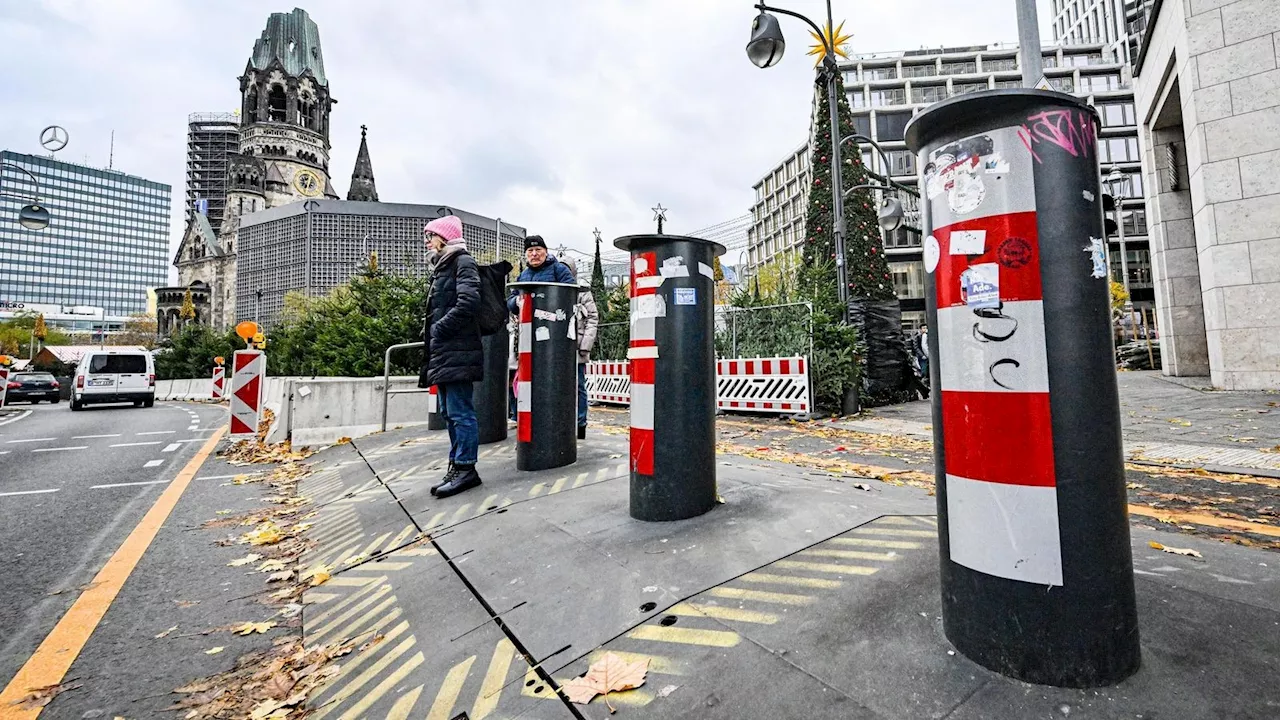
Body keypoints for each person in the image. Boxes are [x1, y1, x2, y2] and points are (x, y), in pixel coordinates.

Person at [419, 215, 484, 499]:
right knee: (449, 412)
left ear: (444, 237)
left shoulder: (462, 261)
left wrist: (439, 329)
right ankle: (456, 465)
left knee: (460, 412)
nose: (426, 241)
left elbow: (468, 301)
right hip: (446, 350)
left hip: (456, 348)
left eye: (430, 235)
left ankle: (466, 468)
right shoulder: (442, 266)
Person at [567, 264, 599, 439]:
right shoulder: (552, 288)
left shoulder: (582, 292)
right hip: (557, 348)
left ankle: (581, 423)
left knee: (579, 386)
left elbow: (593, 319)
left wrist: (585, 346)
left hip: (577, 348)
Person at [506, 235, 574, 314]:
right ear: (526, 254)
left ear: (546, 252)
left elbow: (571, 294)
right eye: (530, 250)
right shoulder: (522, 276)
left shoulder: (559, 270)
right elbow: (511, 301)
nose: (534, 254)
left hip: (554, 323)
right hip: (527, 324)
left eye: (538, 249)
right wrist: (517, 301)